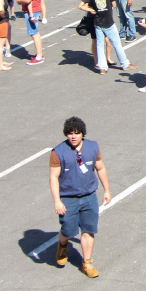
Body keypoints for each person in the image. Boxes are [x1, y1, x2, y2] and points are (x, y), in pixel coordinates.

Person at [49, 116, 111, 278]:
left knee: (88, 230)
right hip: (68, 198)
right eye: (70, 133)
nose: (73, 136)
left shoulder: (92, 147)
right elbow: (54, 177)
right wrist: (57, 201)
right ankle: (62, 243)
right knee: (69, 230)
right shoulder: (58, 152)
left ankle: (87, 262)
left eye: (76, 133)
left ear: (82, 133)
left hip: (89, 196)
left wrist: (107, 190)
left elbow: (101, 168)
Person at [78, 0, 137, 74]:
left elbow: (80, 6)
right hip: (109, 22)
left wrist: (91, 9)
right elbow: (114, 5)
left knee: (99, 45)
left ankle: (102, 67)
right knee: (117, 43)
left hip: (97, 22)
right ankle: (125, 64)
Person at [15, 0, 46, 65]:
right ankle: (39, 54)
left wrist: (18, 1)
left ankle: (39, 56)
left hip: (32, 11)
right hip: (35, 9)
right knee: (35, 32)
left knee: (34, 33)